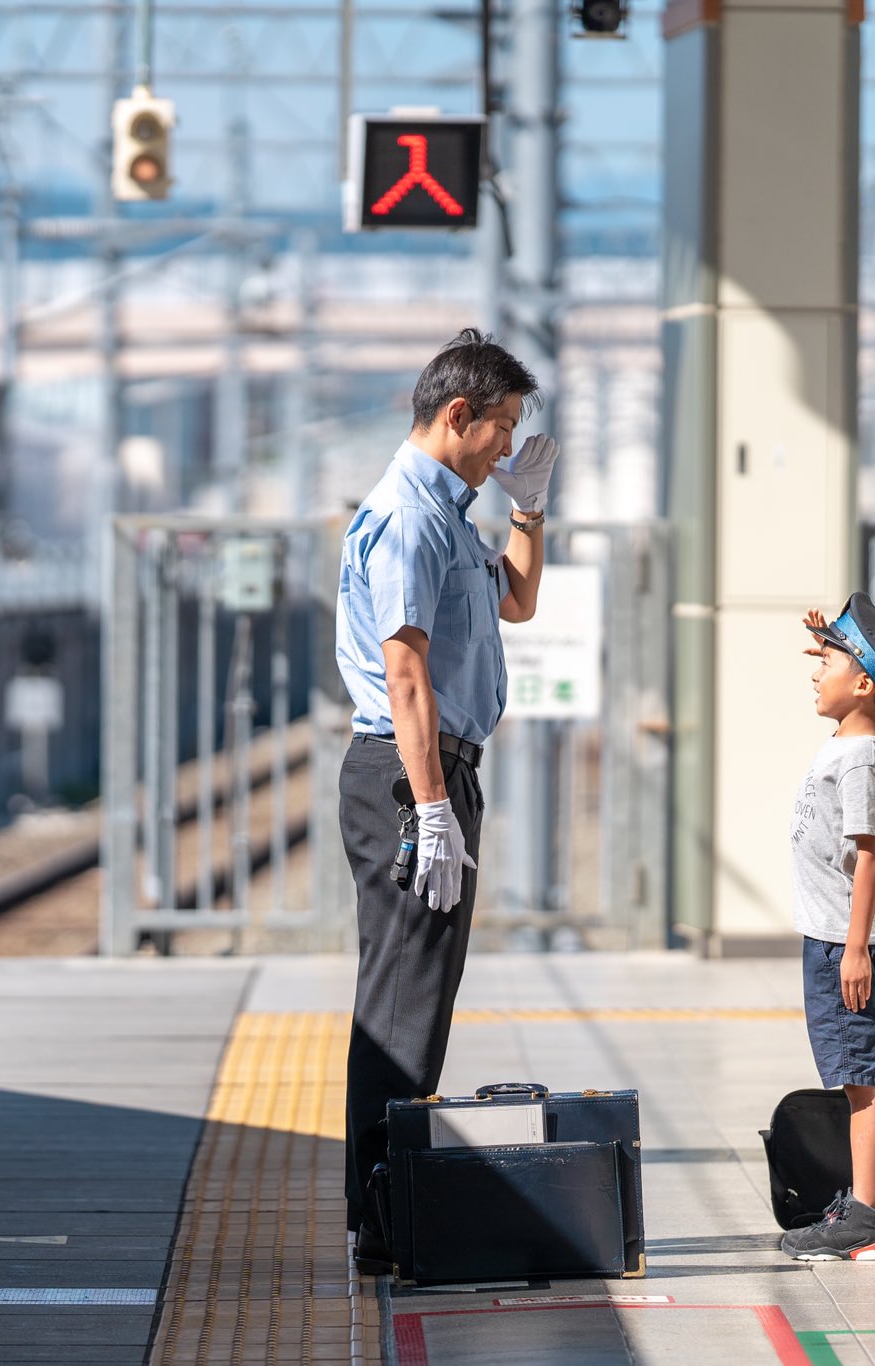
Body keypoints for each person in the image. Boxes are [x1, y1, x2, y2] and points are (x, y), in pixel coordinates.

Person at [334, 329, 558, 1274]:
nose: (506, 446)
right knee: (403, 999)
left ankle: (391, 1204)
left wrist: (529, 511)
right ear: (457, 414)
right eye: (501, 427)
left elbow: (517, 602)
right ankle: (380, 1218)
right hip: (407, 776)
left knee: (421, 995)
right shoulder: (407, 517)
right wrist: (428, 810)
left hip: (437, 774)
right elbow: (406, 674)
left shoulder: (451, 516)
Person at [779, 592, 875, 1261]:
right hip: (846, 940)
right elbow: (849, 675)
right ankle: (863, 1207)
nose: (816, 673)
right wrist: (833, 642)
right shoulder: (855, 741)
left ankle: (867, 1220)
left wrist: (853, 951)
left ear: (865, 685)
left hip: (852, 946)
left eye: (829, 664)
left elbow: (868, 855)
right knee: (859, 1081)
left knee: (864, 1087)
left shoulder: (861, 760)